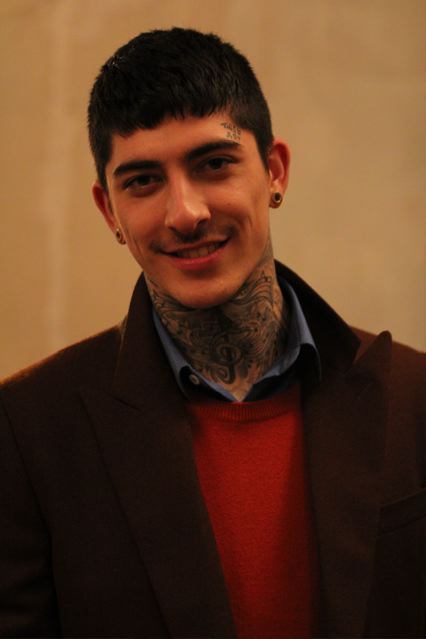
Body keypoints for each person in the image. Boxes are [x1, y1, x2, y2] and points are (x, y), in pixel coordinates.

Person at [0, 27, 424, 639]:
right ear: (109, 210)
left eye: (214, 164)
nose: (186, 213)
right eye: (143, 181)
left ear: (274, 171)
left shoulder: (414, 397)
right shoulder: (28, 430)